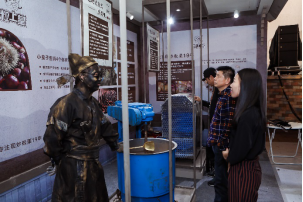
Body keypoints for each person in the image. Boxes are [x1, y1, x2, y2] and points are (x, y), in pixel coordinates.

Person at [43, 53, 119, 202]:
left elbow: (104, 125)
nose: (100, 80)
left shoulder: (93, 103)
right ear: (82, 76)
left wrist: (116, 144)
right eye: (96, 75)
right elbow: (52, 139)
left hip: (93, 166)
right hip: (73, 168)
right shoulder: (65, 104)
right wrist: (59, 160)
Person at [223, 68, 266, 202]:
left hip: (243, 171)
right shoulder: (253, 111)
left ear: (245, 85)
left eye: (234, 81)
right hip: (248, 168)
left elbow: (241, 149)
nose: (231, 85)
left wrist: (228, 155)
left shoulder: (247, 116)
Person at [208, 66, 236, 202]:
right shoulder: (222, 95)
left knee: (221, 181)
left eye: (218, 76)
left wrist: (224, 146)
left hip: (221, 145)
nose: (215, 78)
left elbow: (228, 124)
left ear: (227, 80)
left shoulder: (229, 97)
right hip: (218, 143)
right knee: (220, 179)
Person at [194, 67, 218, 186]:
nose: (206, 82)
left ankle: (217, 174)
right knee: (211, 148)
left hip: (217, 125)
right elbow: (213, 105)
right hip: (214, 123)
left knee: (215, 149)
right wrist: (201, 101)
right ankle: (213, 171)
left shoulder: (220, 90)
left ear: (211, 77)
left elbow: (216, 108)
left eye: (206, 80)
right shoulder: (216, 89)